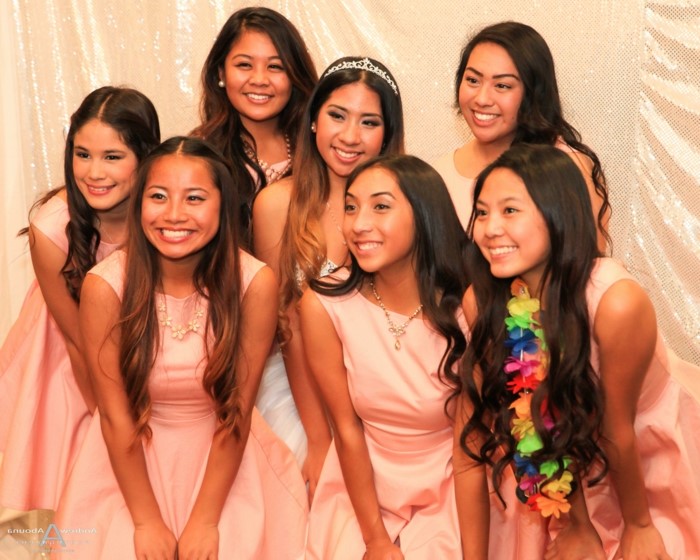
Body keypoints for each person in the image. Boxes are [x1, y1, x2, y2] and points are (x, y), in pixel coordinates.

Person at [53, 137, 308, 559]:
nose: (174, 215)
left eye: (194, 198)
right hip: (129, 461)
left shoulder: (253, 282)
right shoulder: (105, 286)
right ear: (138, 204)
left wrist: (206, 520)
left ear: (221, 206)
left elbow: (238, 408)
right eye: (158, 196)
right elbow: (115, 415)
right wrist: (145, 520)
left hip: (225, 460)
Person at [454, 143, 700, 559]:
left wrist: (639, 526)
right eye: (481, 212)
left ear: (558, 215)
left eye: (510, 210)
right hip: (569, 459)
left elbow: (615, 426)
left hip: (651, 447)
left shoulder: (616, 302)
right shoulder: (485, 301)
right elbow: (532, 414)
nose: (489, 229)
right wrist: (576, 521)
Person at [0, 86, 160, 512]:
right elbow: (78, 344)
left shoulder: (164, 217)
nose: (94, 172)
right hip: (66, 365)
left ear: (145, 157)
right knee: (76, 491)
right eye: (82, 154)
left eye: (113, 157)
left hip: (140, 351)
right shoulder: (52, 227)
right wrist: (106, 423)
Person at [301, 155, 469, 559]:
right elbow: (346, 427)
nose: (358, 224)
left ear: (425, 215)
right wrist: (376, 540)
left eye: (380, 206)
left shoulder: (468, 309)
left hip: (451, 482)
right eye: (351, 206)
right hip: (361, 481)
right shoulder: (325, 303)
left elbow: (471, 446)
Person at [252, 56, 405, 496]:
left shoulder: (404, 209)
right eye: (337, 115)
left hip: (381, 388)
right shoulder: (276, 205)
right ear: (314, 120)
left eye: (369, 122)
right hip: (302, 392)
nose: (350, 136)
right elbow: (286, 326)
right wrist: (320, 439)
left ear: (387, 134)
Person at [433, 21, 609, 251]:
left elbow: (587, 272)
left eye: (502, 85)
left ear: (533, 93)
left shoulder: (569, 167)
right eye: (473, 80)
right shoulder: (438, 173)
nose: (482, 98)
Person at [192, 6, 317, 246]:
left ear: (294, 76)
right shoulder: (200, 154)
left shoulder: (318, 147)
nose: (259, 80)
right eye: (244, 65)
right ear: (221, 72)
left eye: (275, 67)